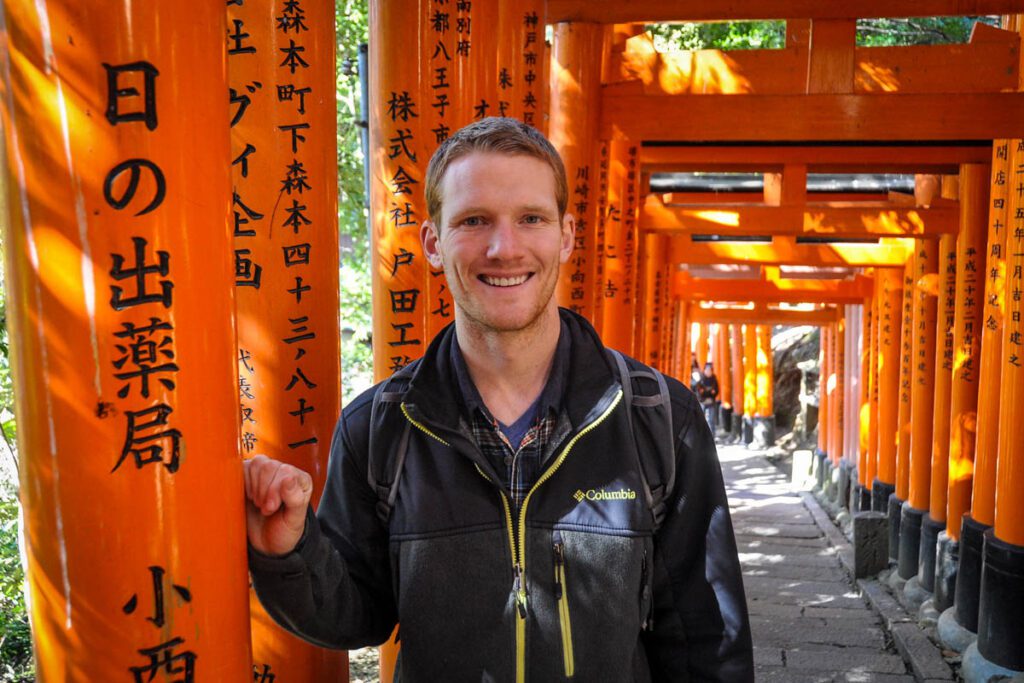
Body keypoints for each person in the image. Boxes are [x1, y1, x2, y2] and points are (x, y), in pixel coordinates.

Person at [244, 118, 753, 681]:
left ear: (565, 234)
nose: (503, 248)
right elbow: (356, 614)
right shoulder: (380, 427)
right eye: (474, 220)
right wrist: (289, 553)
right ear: (433, 243)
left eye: (530, 219)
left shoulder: (656, 418)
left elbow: (708, 638)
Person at [695, 362, 721, 435]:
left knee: (711, 420)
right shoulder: (701, 380)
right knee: (701, 419)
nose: (708, 372)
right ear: (704, 370)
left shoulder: (714, 380)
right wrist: (708, 392)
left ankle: (712, 435)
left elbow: (716, 391)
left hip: (711, 402)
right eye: (707, 370)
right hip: (703, 402)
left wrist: (708, 392)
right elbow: (699, 391)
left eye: (710, 370)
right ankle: (701, 435)